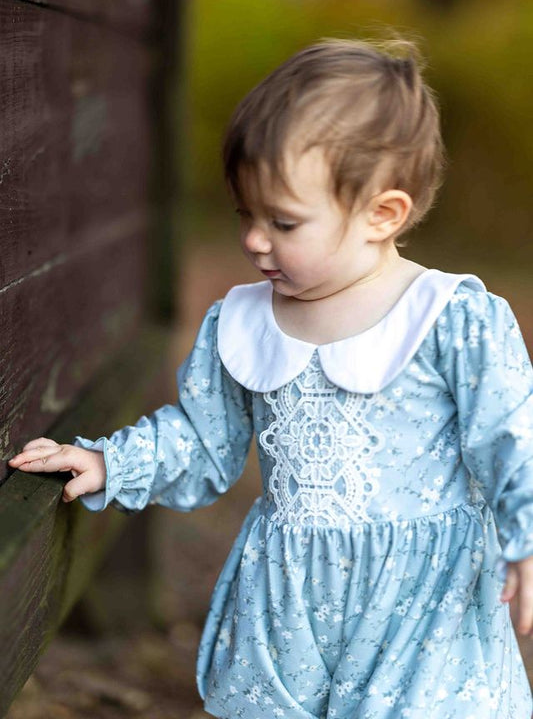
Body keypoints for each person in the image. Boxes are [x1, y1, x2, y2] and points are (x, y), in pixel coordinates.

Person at [9, 38, 533, 718]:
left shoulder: (446, 317)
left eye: (282, 221)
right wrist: (113, 462)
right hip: (288, 597)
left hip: (422, 601)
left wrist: (525, 539)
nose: (254, 239)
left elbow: (511, 434)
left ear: (383, 214)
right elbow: (204, 441)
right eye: (244, 214)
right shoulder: (244, 321)